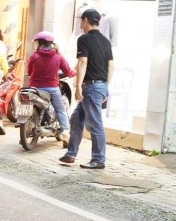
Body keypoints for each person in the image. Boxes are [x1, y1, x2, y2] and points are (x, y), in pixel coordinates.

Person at [59, 9, 114, 170]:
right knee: (76, 119)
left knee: (95, 124)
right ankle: (71, 154)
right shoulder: (105, 41)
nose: (80, 24)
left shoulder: (83, 39)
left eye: (81, 21)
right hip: (100, 85)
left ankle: (98, 159)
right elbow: (111, 67)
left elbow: (83, 62)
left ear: (85, 20)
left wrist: (77, 87)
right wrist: (105, 87)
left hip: (90, 86)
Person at [26, 31, 75, 140]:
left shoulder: (34, 56)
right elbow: (68, 72)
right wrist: (75, 73)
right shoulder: (58, 56)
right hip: (52, 88)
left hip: (34, 88)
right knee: (60, 109)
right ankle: (65, 133)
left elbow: (29, 72)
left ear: (39, 43)